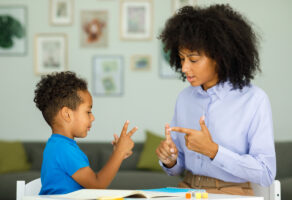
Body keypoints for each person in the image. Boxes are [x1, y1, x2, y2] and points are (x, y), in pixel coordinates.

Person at [155, 4, 276, 196]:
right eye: (181, 59)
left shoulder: (254, 100)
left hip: (231, 193)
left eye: (193, 60)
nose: (184, 68)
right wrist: (170, 160)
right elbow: (178, 167)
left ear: (219, 57)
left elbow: (266, 172)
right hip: (186, 190)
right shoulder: (185, 98)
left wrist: (213, 151)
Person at [34, 71, 138, 194]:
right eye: (88, 112)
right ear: (67, 114)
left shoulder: (58, 145)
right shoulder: (64, 149)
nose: (92, 117)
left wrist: (118, 153)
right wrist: (119, 153)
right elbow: (97, 185)